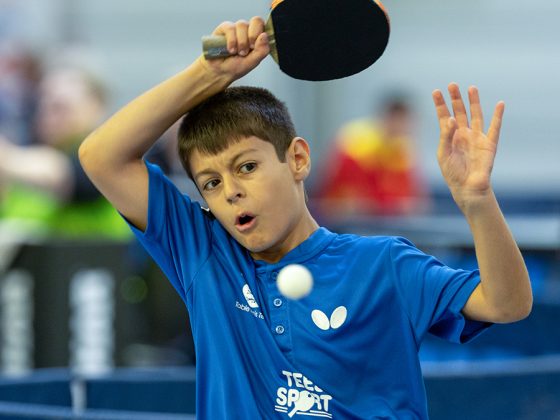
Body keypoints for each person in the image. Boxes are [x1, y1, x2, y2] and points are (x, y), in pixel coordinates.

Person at [79, 17, 532, 418]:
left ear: (297, 159)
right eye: (211, 183)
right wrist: (208, 74)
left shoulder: (384, 265)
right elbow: (101, 156)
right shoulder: (205, 254)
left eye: (246, 167)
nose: (231, 190)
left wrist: (477, 200)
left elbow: (507, 305)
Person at [0, 66, 130, 239]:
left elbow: (67, 175)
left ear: (96, 107)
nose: (46, 116)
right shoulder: (27, 164)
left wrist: (6, 159)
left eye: (59, 107)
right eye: (40, 106)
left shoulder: (113, 157)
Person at [314, 94, 430, 217]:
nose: (403, 127)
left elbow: (414, 199)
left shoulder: (403, 150)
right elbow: (344, 197)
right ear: (387, 118)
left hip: (379, 217)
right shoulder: (356, 144)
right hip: (344, 217)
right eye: (399, 120)